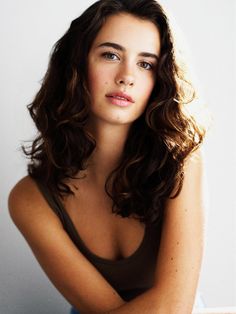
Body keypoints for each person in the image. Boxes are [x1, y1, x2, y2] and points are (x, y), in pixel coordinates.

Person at [8, 0, 207, 313]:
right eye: (111, 55)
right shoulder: (30, 199)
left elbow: (174, 307)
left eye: (146, 64)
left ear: (160, 80)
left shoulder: (180, 162)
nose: (126, 76)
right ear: (77, 64)